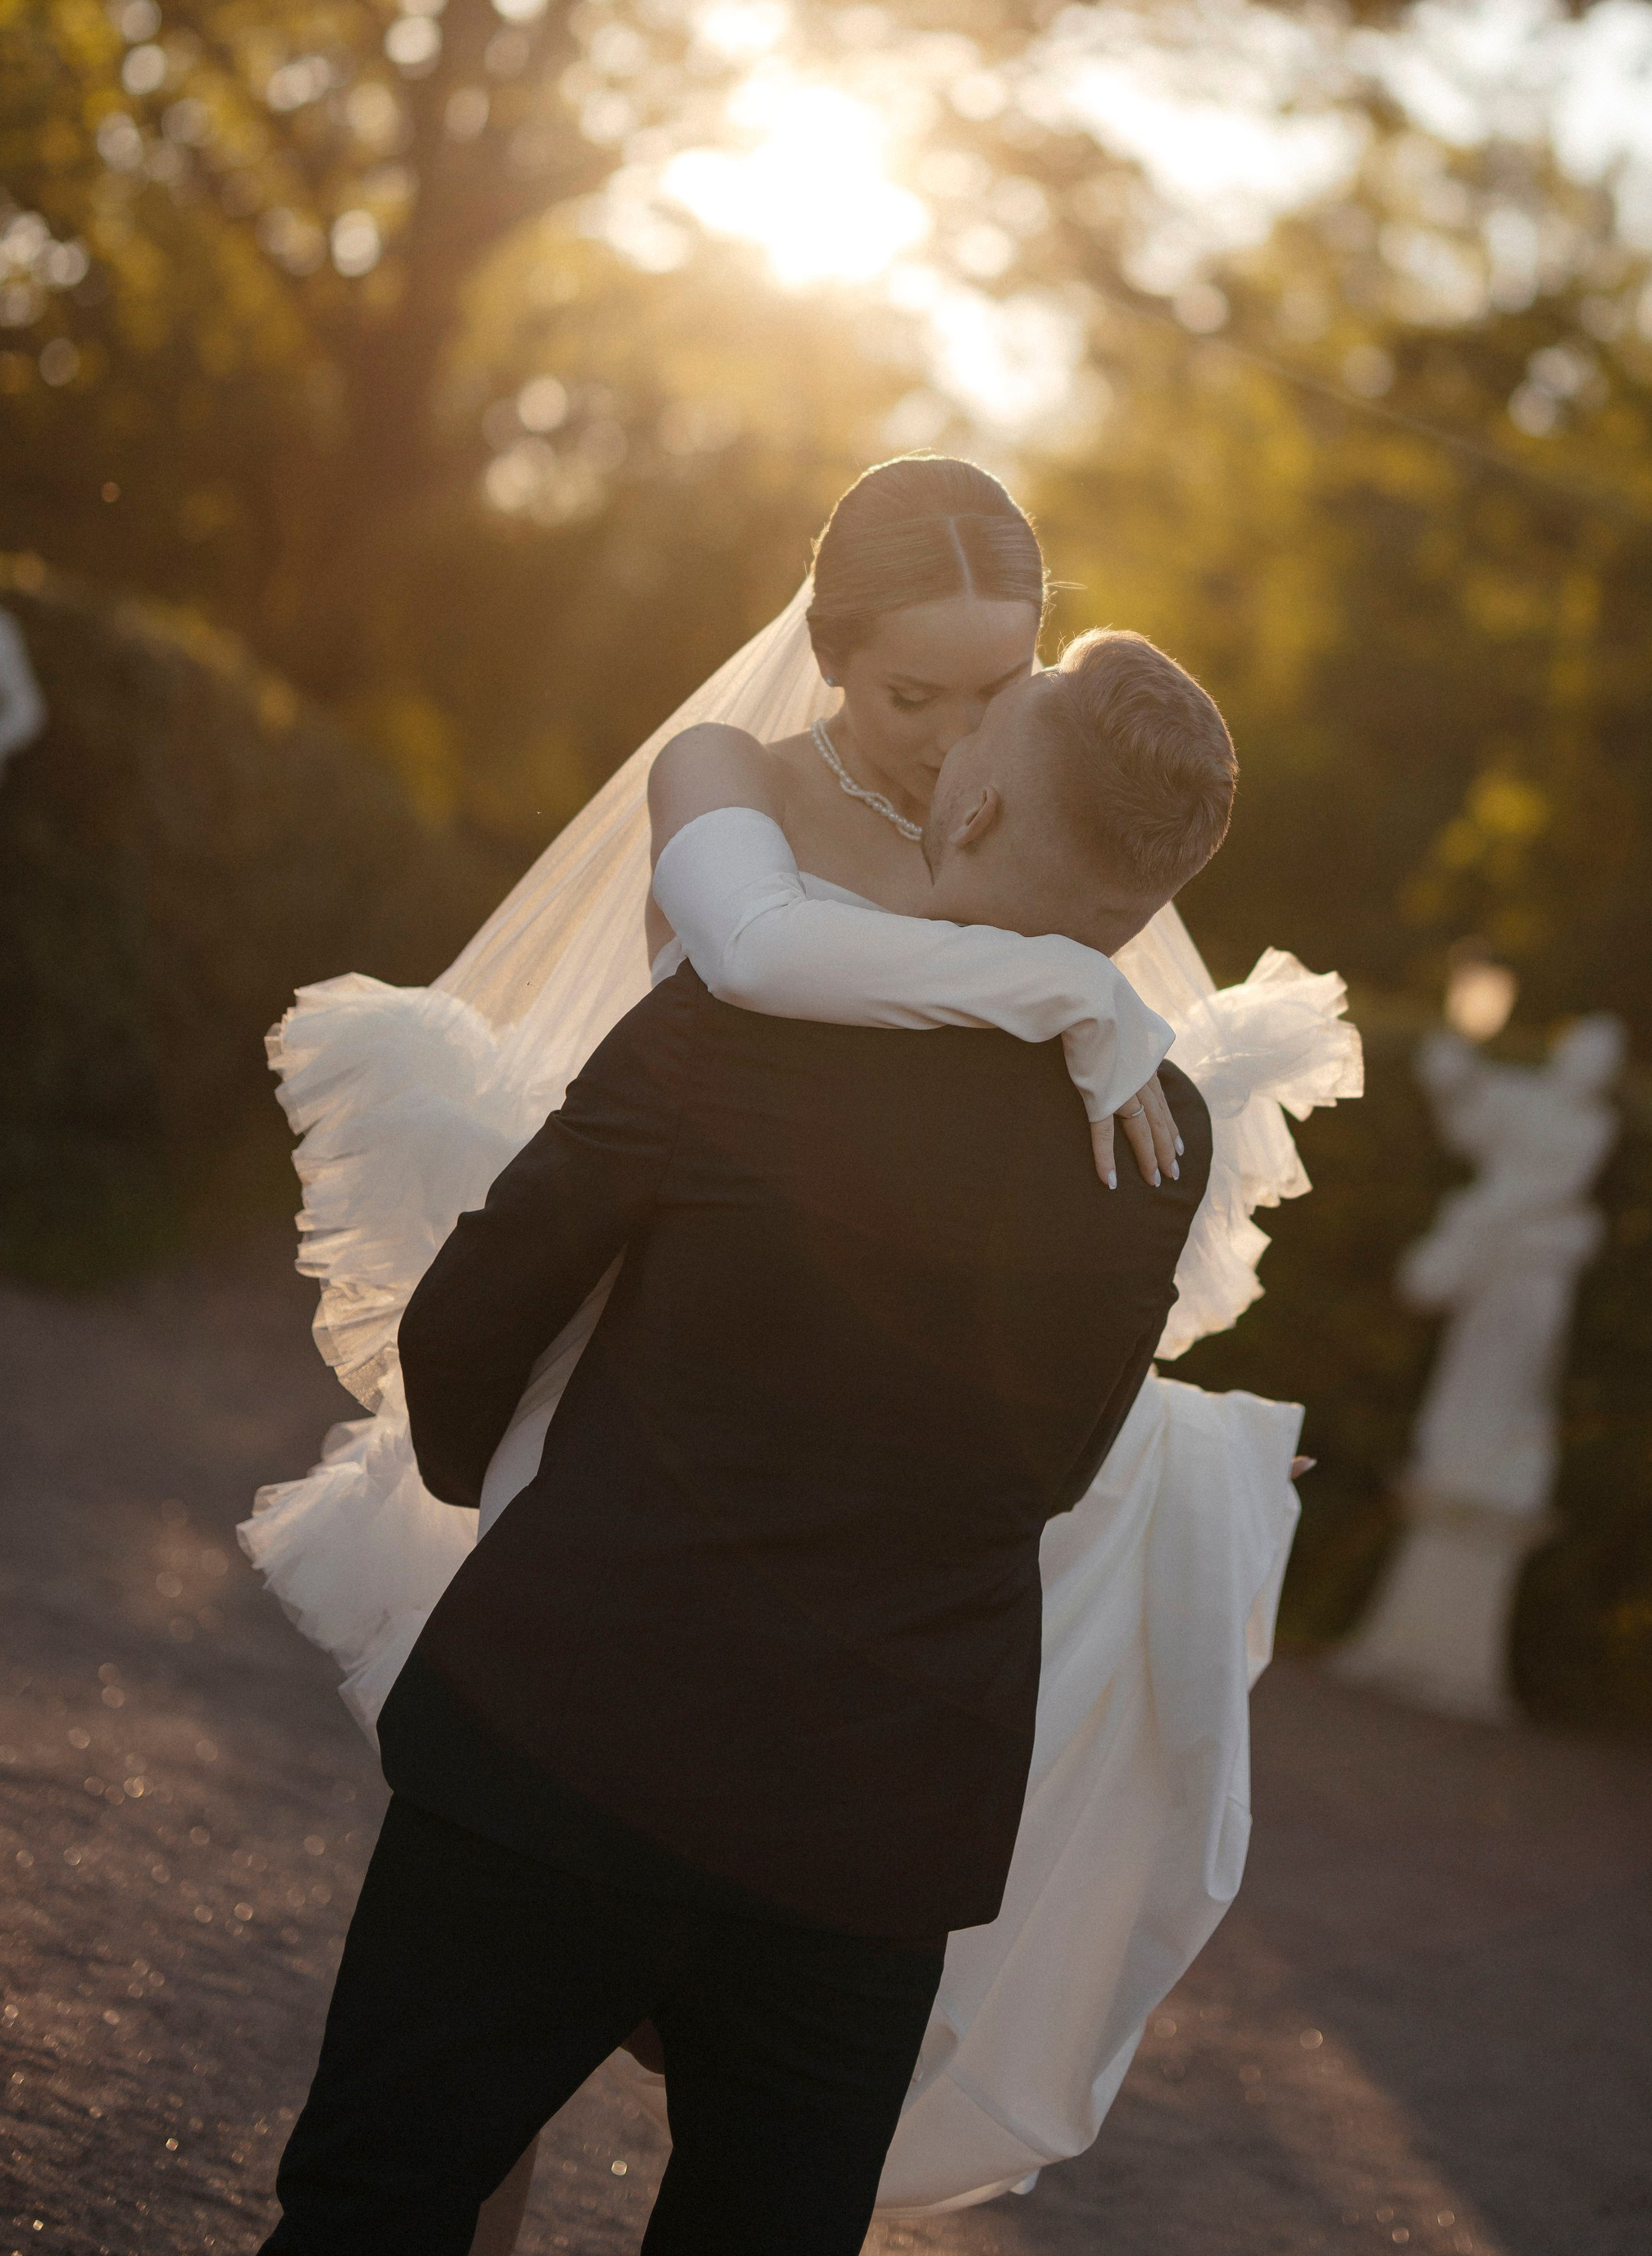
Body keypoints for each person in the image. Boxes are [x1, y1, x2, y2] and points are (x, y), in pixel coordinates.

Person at [241, 457, 1360, 2238]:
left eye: (992, 702)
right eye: (918, 694)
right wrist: (1079, 993)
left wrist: (540, 1485)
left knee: (396, 2149)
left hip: (607, 1645)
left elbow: (493, 1308)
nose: (948, 740)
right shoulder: (1123, 1092)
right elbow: (1046, 1443)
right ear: (832, 651)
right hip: (844, 1738)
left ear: (1010, 757)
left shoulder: (759, 1036)